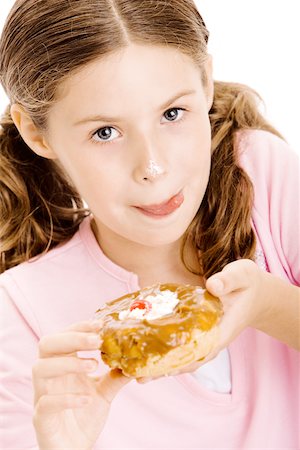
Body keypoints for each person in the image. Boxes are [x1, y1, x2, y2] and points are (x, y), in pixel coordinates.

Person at [0, 0, 299, 448]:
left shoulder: (259, 174)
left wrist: (266, 305)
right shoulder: (21, 311)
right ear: (37, 133)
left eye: (173, 114)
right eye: (105, 132)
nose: (153, 167)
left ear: (205, 84)